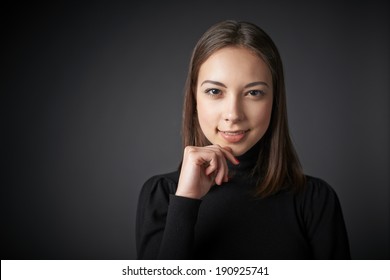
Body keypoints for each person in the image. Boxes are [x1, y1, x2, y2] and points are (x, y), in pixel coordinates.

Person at [135, 20, 350, 260]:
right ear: (194, 97)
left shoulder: (314, 199)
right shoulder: (162, 194)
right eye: (215, 91)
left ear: (274, 100)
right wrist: (185, 201)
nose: (233, 114)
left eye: (253, 93)